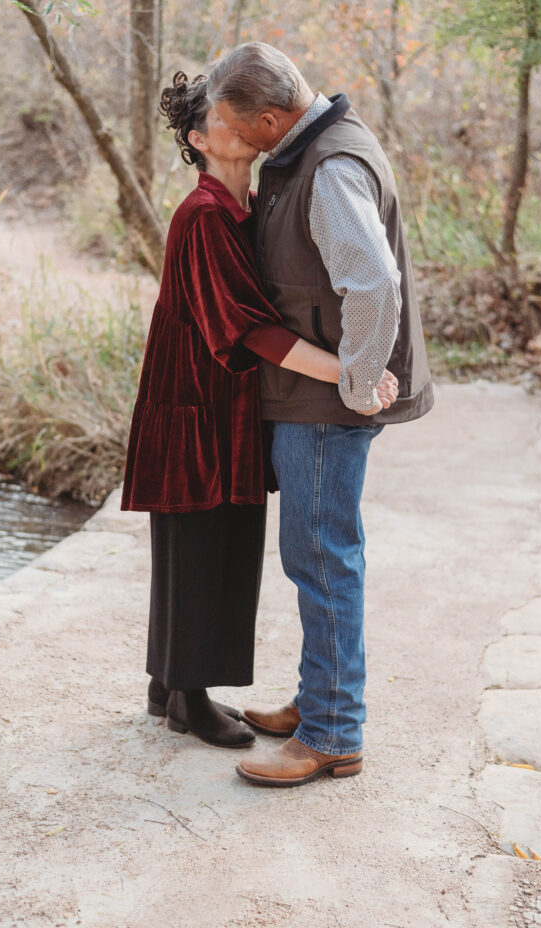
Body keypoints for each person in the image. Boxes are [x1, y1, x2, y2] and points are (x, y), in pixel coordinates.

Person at [120, 72, 395, 750]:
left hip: (224, 402)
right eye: (223, 119)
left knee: (214, 541)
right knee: (202, 543)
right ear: (198, 139)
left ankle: (168, 683)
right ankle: (188, 698)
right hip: (196, 403)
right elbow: (246, 329)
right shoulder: (206, 212)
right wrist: (348, 373)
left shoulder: (245, 206)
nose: (242, 126)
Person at [205, 42, 433, 784]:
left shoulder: (330, 167)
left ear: (273, 116)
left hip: (324, 403)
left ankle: (334, 732)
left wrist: (359, 381)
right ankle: (318, 701)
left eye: (243, 127)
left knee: (323, 558)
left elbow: (373, 285)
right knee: (316, 554)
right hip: (313, 395)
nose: (239, 139)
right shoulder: (314, 148)